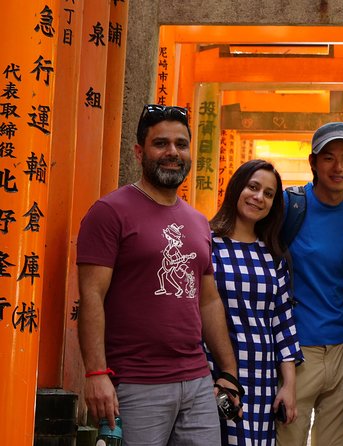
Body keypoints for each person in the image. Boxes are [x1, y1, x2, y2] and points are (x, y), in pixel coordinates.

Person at [77, 104, 240, 445]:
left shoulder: (197, 221)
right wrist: (96, 373)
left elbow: (208, 301)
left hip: (197, 382)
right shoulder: (110, 212)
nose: (172, 153)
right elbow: (92, 295)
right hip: (136, 383)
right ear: (139, 151)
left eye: (181, 144)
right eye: (161, 143)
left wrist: (228, 373)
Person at [276, 122, 343, 446]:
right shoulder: (290, 205)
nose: (338, 167)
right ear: (313, 162)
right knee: (287, 439)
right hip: (297, 350)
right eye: (328, 157)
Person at [207, 159, 304, 445]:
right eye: (253, 187)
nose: (259, 197)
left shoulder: (274, 256)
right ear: (237, 187)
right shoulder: (207, 244)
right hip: (214, 371)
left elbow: (283, 325)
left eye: (269, 194)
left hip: (261, 377)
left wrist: (288, 385)